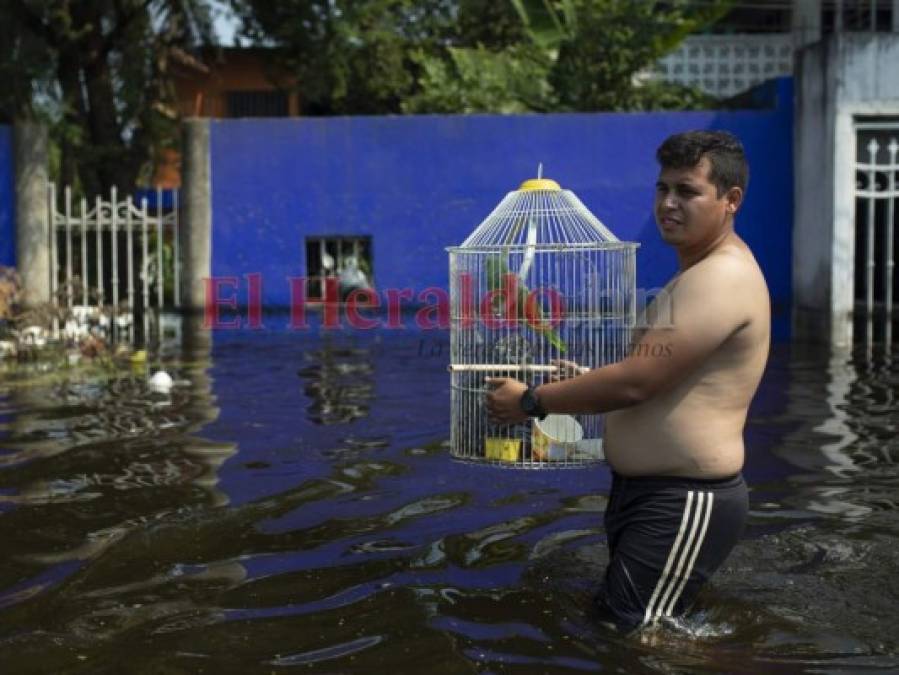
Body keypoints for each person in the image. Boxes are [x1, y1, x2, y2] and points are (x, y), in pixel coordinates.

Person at [485, 130, 770, 633]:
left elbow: (637, 383)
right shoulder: (697, 274)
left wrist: (532, 400)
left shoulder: (722, 277)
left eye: (687, 191)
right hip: (652, 493)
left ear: (731, 201)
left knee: (640, 638)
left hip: (684, 498)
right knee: (633, 628)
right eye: (662, 189)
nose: (669, 203)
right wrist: (588, 381)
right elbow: (655, 378)